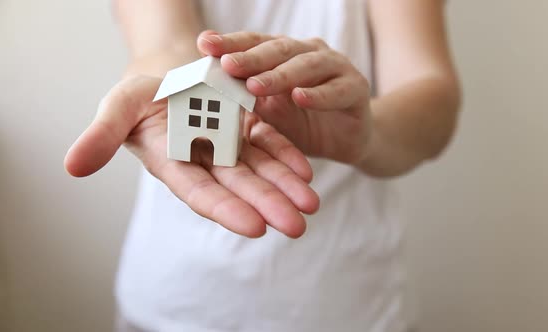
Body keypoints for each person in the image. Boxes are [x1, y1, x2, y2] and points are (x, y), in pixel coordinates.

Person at [64, 0, 461, 331]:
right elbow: (165, 43)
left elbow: (429, 89)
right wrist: (177, 85)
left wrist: (368, 134)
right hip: (174, 299)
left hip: (350, 300)